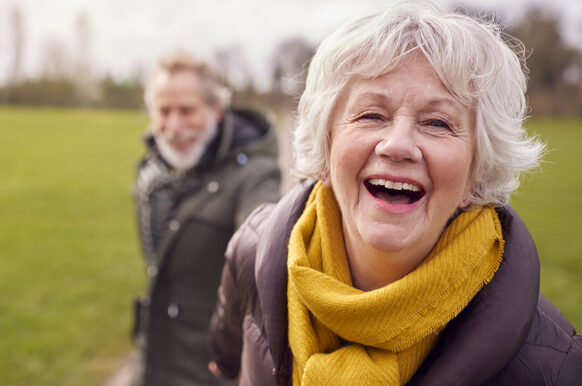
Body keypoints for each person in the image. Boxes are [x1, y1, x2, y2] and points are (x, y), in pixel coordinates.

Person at [208, 2, 582, 385]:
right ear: (326, 145)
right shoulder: (252, 251)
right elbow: (226, 359)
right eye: (372, 115)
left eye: (437, 122)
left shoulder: (558, 368)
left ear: (478, 171)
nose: (397, 145)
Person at [131, 50, 281, 386]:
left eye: (187, 110)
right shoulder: (151, 173)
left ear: (215, 111)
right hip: (152, 363)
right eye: (163, 111)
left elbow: (263, 239)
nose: (173, 126)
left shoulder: (255, 174)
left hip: (211, 372)